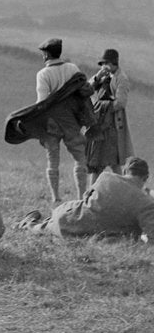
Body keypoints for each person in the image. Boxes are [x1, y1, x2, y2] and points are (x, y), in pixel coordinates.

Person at [17, 156, 154, 241]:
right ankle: (30, 222)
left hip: (70, 222)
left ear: (125, 171)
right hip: (99, 235)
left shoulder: (106, 177)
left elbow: (86, 198)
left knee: (44, 227)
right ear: (146, 178)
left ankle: (29, 223)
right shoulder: (146, 203)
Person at [34, 38, 89, 203]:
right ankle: (81, 197)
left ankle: (56, 197)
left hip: (51, 121)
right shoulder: (73, 69)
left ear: (46, 54)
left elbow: (41, 102)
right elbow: (82, 90)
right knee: (80, 157)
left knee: (53, 159)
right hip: (71, 119)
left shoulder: (43, 74)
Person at [85, 48, 133, 183]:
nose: (103, 66)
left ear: (113, 63)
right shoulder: (104, 76)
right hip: (99, 123)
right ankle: (93, 194)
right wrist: (98, 76)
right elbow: (86, 89)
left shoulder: (121, 78)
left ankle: (94, 195)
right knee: (102, 163)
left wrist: (101, 106)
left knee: (108, 162)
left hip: (111, 125)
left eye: (105, 63)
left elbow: (120, 103)